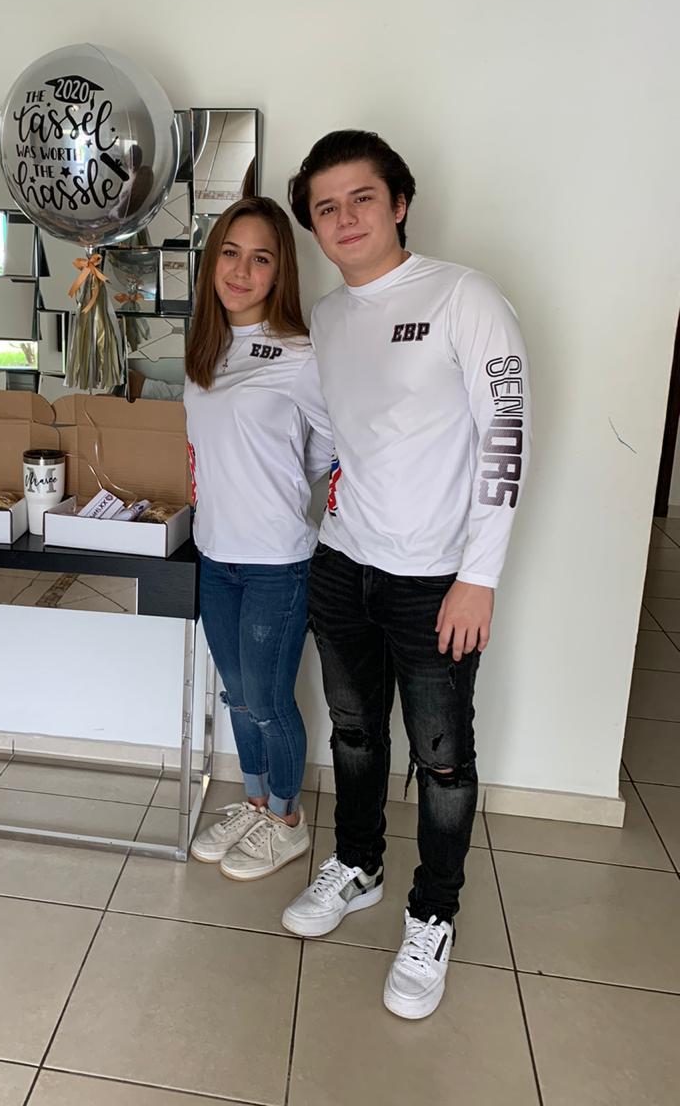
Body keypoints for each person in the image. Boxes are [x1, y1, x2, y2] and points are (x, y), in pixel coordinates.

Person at [281, 131, 528, 1019]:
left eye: (361, 198)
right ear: (314, 226)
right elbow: (333, 435)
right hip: (344, 563)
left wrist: (479, 576)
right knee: (353, 734)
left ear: (399, 203)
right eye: (325, 208)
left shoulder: (465, 297)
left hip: (437, 582)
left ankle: (433, 913)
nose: (344, 219)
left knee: (442, 758)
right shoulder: (327, 317)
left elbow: (506, 438)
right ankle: (359, 866)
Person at [184, 195, 334, 880]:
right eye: (230, 253)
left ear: (280, 272)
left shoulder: (302, 355)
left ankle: (286, 820)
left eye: (260, 258)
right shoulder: (205, 351)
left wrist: (285, 482)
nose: (241, 271)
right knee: (238, 698)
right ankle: (253, 803)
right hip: (216, 556)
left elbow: (329, 444)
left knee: (271, 703)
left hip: (277, 561)